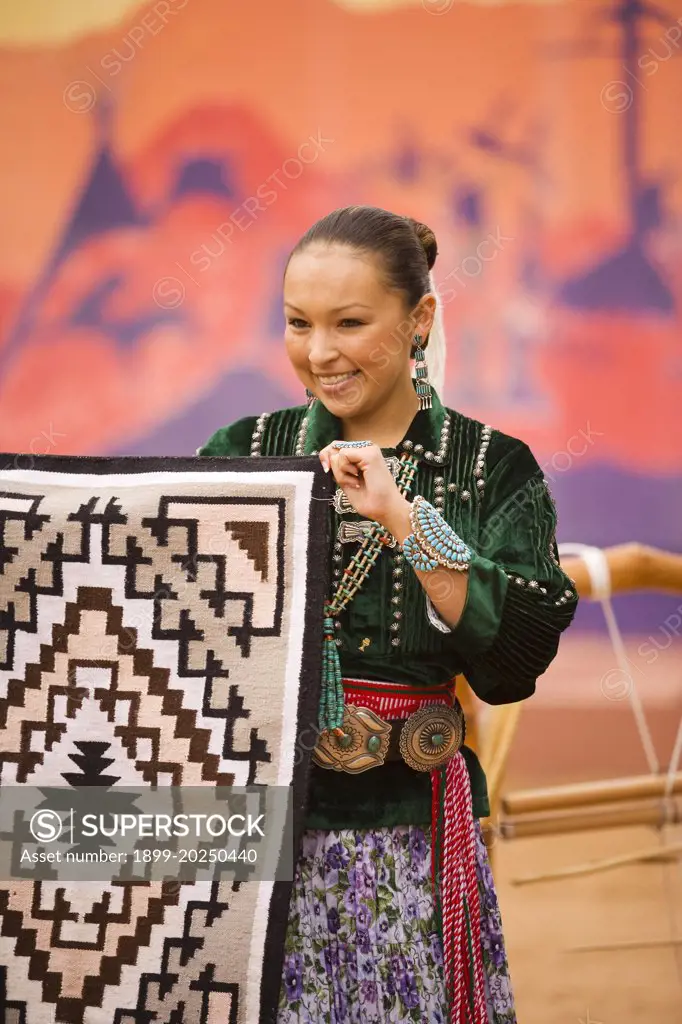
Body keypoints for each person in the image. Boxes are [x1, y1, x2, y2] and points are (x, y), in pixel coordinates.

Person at [199, 206, 578, 1023]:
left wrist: (405, 518)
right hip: (255, 841)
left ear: (420, 321)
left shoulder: (491, 467)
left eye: (350, 323)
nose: (320, 352)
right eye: (298, 324)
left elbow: (513, 663)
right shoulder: (246, 453)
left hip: (411, 840)